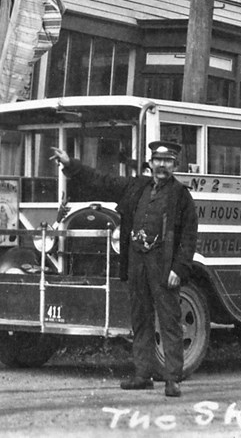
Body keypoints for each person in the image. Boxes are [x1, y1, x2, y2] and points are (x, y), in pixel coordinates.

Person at [49, 140, 198, 398]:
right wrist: (71, 164)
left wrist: (179, 269)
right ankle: (143, 375)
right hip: (137, 261)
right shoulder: (136, 186)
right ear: (150, 163)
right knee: (140, 320)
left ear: (175, 165)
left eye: (168, 161)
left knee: (169, 322)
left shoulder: (181, 196)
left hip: (163, 266)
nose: (162, 165)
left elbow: (189, 237)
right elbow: (102, 181)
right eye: (157, 160)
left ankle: (173, 379)